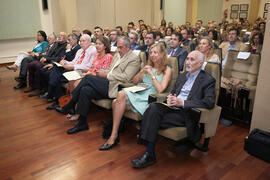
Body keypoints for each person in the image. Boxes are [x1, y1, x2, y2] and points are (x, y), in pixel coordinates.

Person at [131, 50, 216, 169]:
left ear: (200, 63)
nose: (188, 62)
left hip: (187, 113)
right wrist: (170, 98)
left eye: (192, 60)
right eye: (187, 59)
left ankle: (149, 153)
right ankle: (149, 152)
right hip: (172, 108)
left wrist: (183, 103)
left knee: (151, 117)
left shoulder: (208, 80)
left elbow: (209, 102)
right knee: (153, 107)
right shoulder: (182, 76)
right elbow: (173, 93)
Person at [56, 36, 141, 134]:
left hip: (116, 87)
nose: (118, 49)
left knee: (87, 78)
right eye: (118, 47)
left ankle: (70, 104)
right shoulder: (117, 55)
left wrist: (107, 75)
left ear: (128, 47)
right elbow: (109, 69)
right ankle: (82, 123)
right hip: (107, 83)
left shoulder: (134, 59)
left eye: (121, 47)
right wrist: (102, 72)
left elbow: (126, 77)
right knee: (85, 90)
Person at [99, 43, 172, 151]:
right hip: (140, 91)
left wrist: (151, 74)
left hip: (151, 96)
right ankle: (115, 133)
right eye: (151, 52)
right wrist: (142, 72)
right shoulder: (147, 67)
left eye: (155, 52)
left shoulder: (167, 69)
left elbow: (160, 89)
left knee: (116, 101)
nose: (152, 55)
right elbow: (134, 81)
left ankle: (113, 135)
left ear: (162, 54)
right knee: (118, 98)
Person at [46, 34, 97, 110]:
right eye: (80, 41)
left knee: (56, 77)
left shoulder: (93, 50)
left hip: (81, 72)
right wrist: (65, 62)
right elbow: (74, 62)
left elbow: (89, 66)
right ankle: (60, 101)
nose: (81, 43)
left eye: (84, 41)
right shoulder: (80, 50)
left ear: (89, 42)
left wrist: (73, 67)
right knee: (56, 69)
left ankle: (57, 100)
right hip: (73, 70)